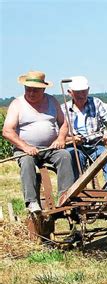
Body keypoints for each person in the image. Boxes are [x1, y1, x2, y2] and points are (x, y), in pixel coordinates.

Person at [2, 71, 75, 213]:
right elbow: (7, 131)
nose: (31, 93)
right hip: (24, 149)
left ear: (43, 89)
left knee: (65, 155)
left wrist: (60, 139)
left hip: (50, 148)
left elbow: (64, 123)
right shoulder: (17, 104)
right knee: (27, 161)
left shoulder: (52, 101)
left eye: (35, 90)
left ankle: (65, 197)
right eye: (28, 89)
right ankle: (32, 202)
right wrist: (25, 146)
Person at [61, 76, 107, 189]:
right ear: (69, 92)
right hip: (75, 146)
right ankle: (75, 189)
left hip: (96, 144)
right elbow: (59, 136)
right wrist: (72, 139)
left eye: (84, 91)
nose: (81, 95)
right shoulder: (63, 109)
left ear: (88, 90)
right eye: (77, 92)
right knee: (73, 158)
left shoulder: (96, 103)